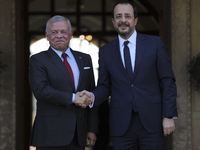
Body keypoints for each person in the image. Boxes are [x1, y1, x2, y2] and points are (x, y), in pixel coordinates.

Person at [80, 1, 178, 150]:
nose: (123, 20)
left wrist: (168, 115)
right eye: (118, 16)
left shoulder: (155, 44)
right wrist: (92, 96)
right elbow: (105, 86)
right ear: (113, 21)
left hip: (153, 121)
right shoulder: (106, 51)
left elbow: (167, 80)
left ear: (135, 20)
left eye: (128, 16)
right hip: (121, 124)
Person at [29, 15, 98, 150]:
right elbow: (41, 91)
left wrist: (92, 129)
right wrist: (73, 98)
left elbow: (91, 94)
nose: (59, 36)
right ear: (47, 35)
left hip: (79, 133)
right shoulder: (38, 59)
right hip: (50, 133)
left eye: (63, 32)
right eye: (54, 32)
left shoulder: (85, 59)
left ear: (71, 34)